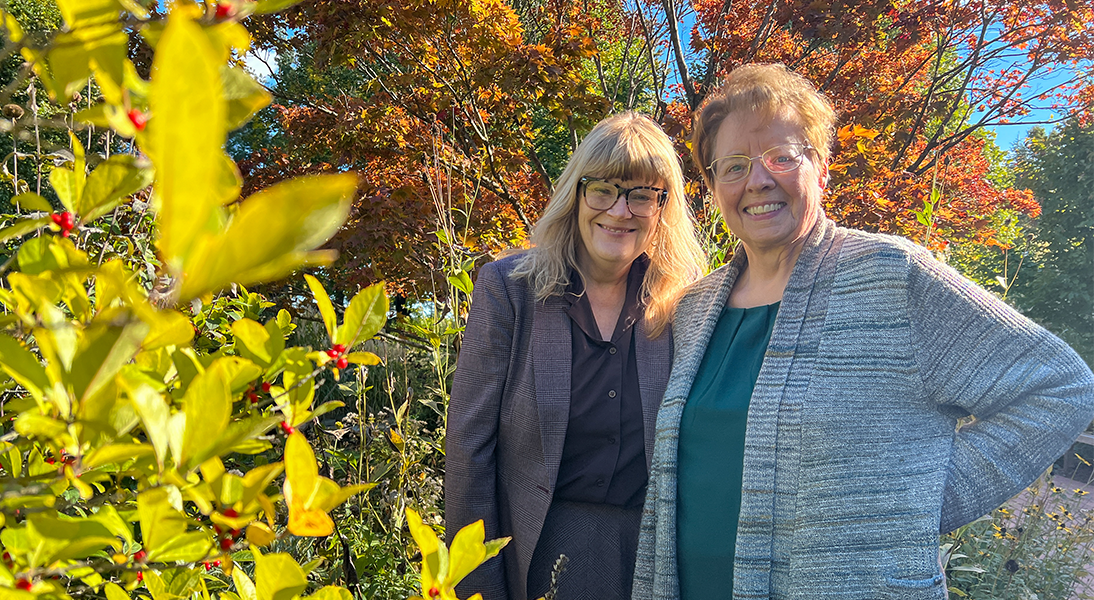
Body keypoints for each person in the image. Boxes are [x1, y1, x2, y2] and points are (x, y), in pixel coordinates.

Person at [631, 63, 1094, 600]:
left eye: (782, 157)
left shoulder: (891, 277)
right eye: (733, 166)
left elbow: (1060, 387)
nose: (758, 180)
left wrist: (916, 503)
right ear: (712, 187)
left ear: (821, 168)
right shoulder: (694, 309)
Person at [446, 112, 708, 600]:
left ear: (662, 207)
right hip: (533, 552)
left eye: (642, 194)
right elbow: (469, 446)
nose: (620, 210)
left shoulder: (687, 305)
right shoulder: (510, 290)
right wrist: (475, 583)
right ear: (576, 193)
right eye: (603, 188)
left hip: (648, 563)